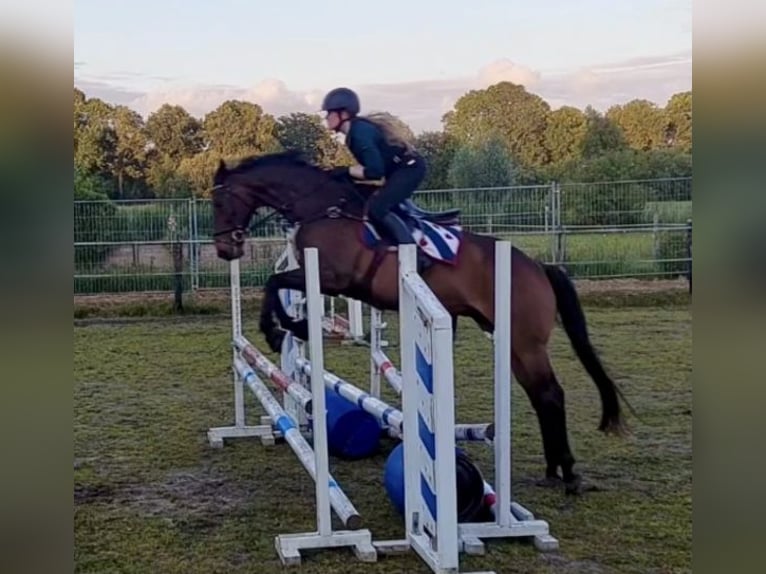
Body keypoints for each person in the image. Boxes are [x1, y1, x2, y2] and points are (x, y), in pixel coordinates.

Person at [321, 87, 426, 246]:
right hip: (398, 170)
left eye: (329, 113)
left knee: (377, 207)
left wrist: (345, 171)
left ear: (344, 114)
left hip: (409, 169)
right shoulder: (354, 132)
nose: (326, 117)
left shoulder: (360, 133)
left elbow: (375, 172)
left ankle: (412, 256)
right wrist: (346, 173)